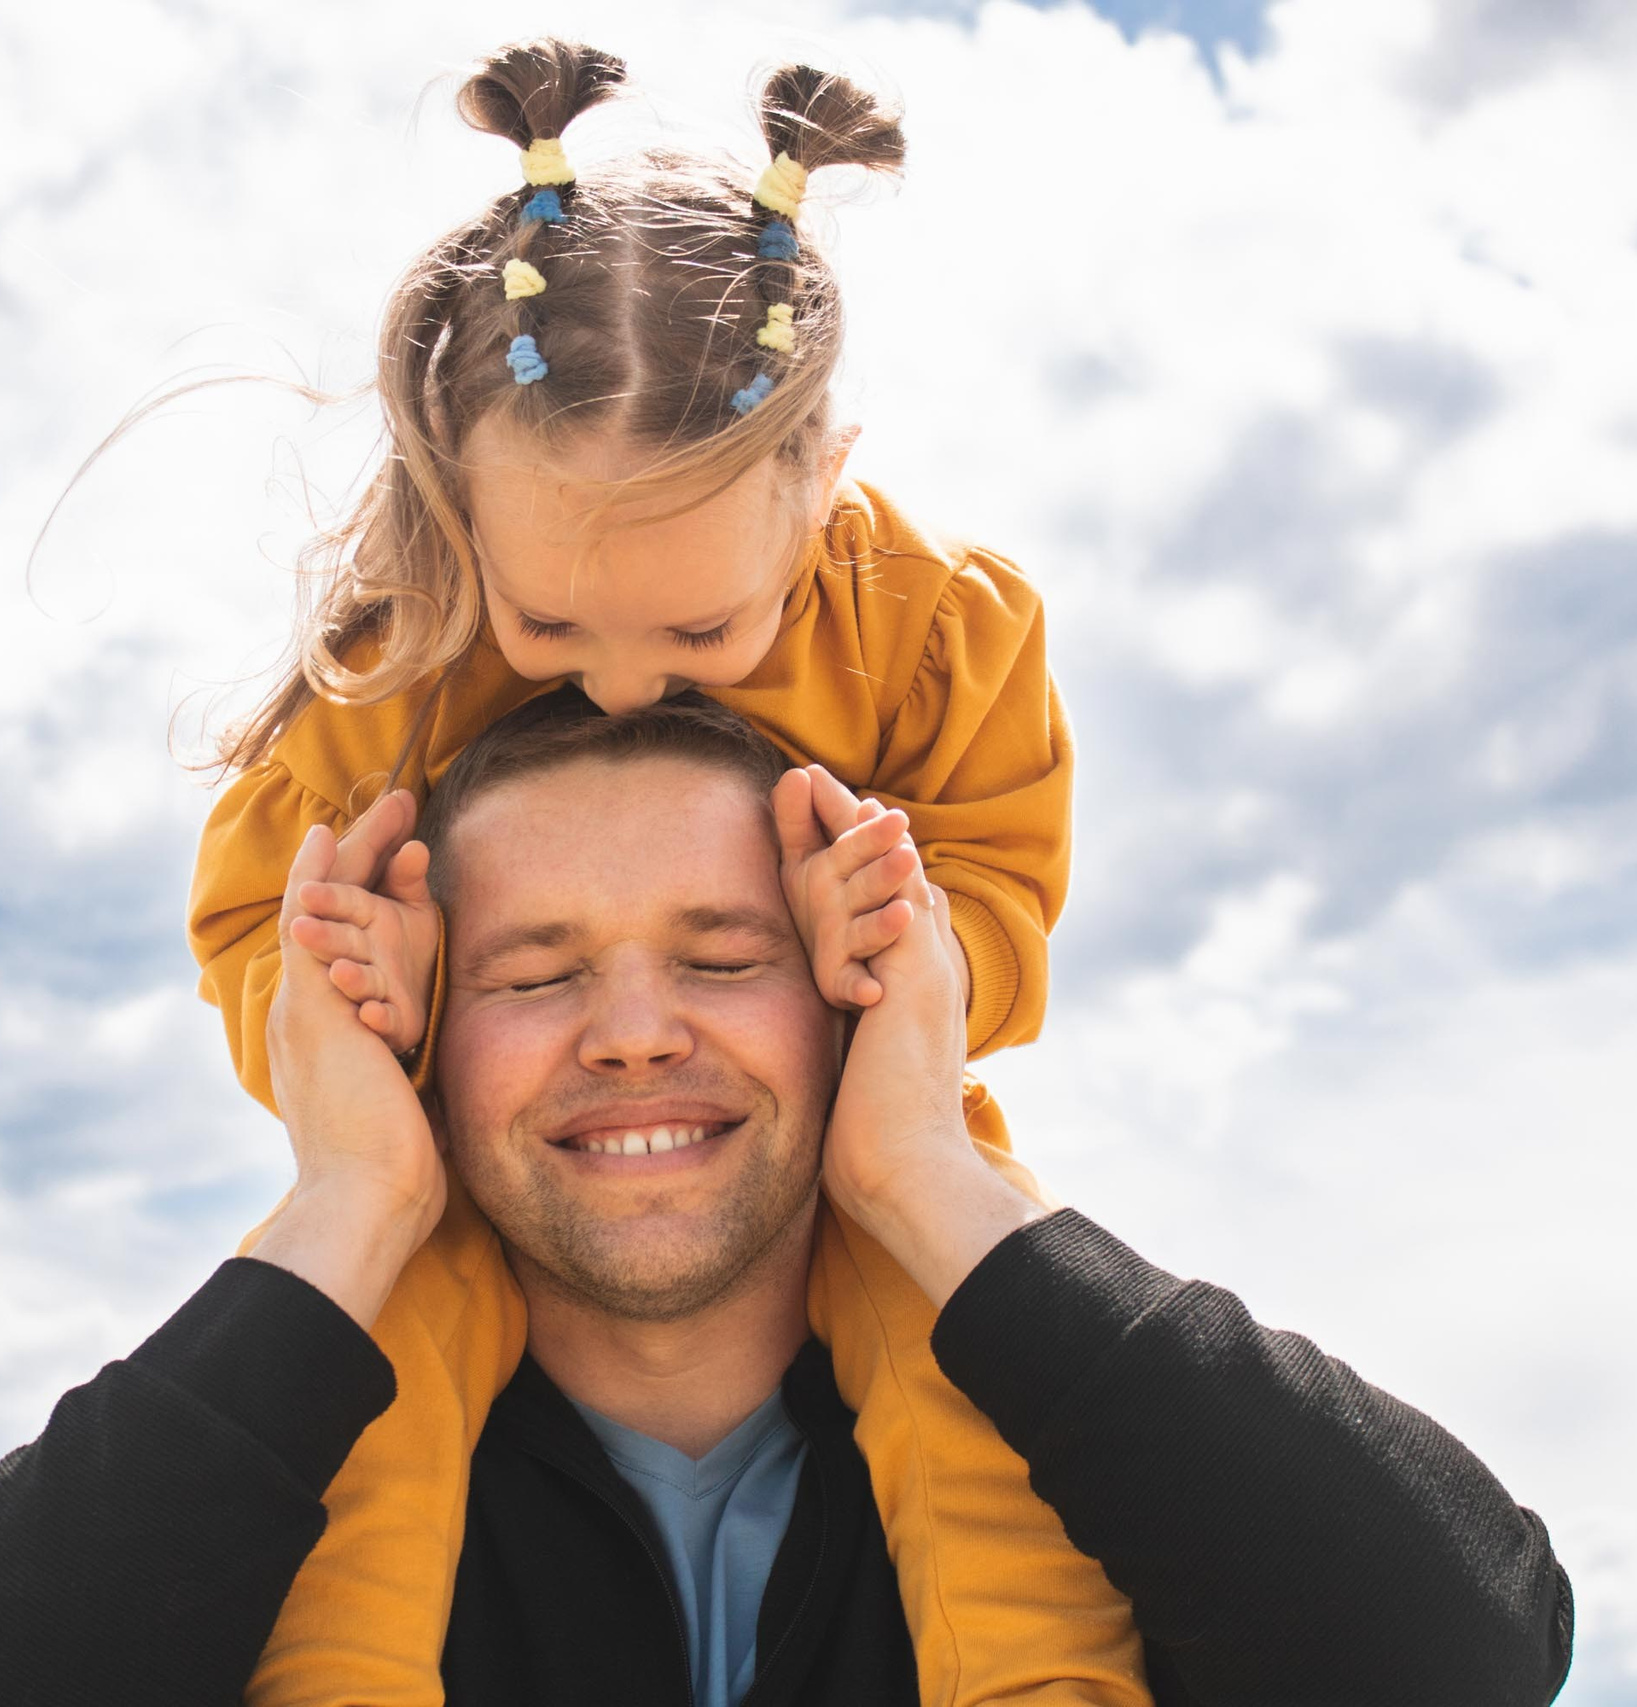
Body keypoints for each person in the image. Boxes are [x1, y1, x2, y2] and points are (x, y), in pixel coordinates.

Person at [0, 690, 1575, 1707]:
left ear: (853, 997)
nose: (633, 1035)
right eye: (530, 975)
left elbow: (1461, 1656)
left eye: (723, 956)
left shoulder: (1059, 1478)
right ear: (419, 1033)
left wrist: (927, 1176)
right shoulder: (290, 1511)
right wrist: (347, 1199)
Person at [184, 36, 1107, 1707]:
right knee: (375, 1430)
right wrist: (350, 993)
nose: (615, 680)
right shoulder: (395, 659)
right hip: (500, 1161)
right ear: (456, 506)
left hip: (846, 1134)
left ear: (817, 486)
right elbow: (257, 917)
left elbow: (1008, 878)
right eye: (545, 626)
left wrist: (907, 931)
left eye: (698, 629)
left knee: (975, 1422)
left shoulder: (935, 631)